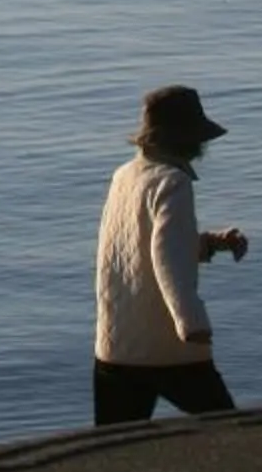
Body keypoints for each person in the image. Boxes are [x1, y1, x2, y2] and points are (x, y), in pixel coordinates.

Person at [93, 83, 249, 423]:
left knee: (114, 454)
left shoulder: (124, 176)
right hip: (169, 352)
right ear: (187, 139)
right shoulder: (172, 182)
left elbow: (136, 245)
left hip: (117, 345)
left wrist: (210, 244)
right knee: (231, 435)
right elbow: (166, 256)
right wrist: (190, 320)